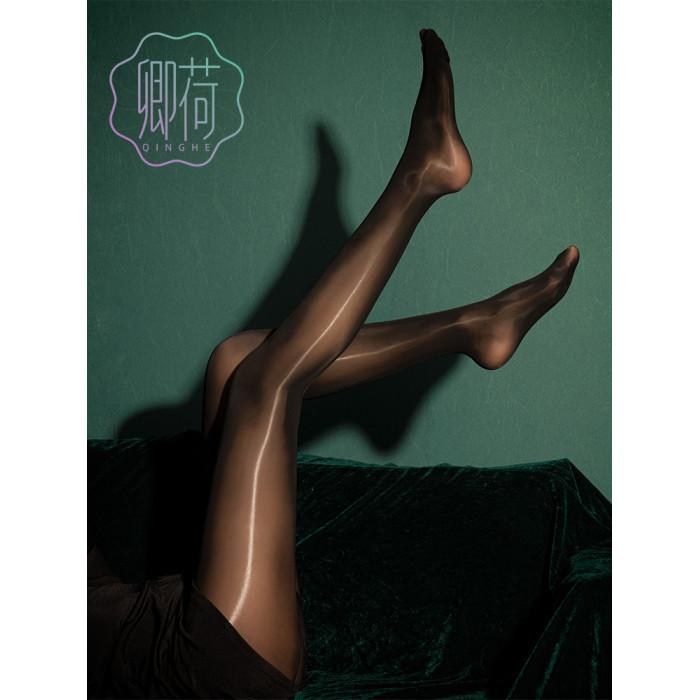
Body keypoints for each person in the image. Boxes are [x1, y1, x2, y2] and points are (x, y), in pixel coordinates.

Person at [88, 28, 579, 698]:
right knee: (264, 386)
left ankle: (474, 328)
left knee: (234, 362)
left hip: (189, 615)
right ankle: (421, 177)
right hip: (202, 665)